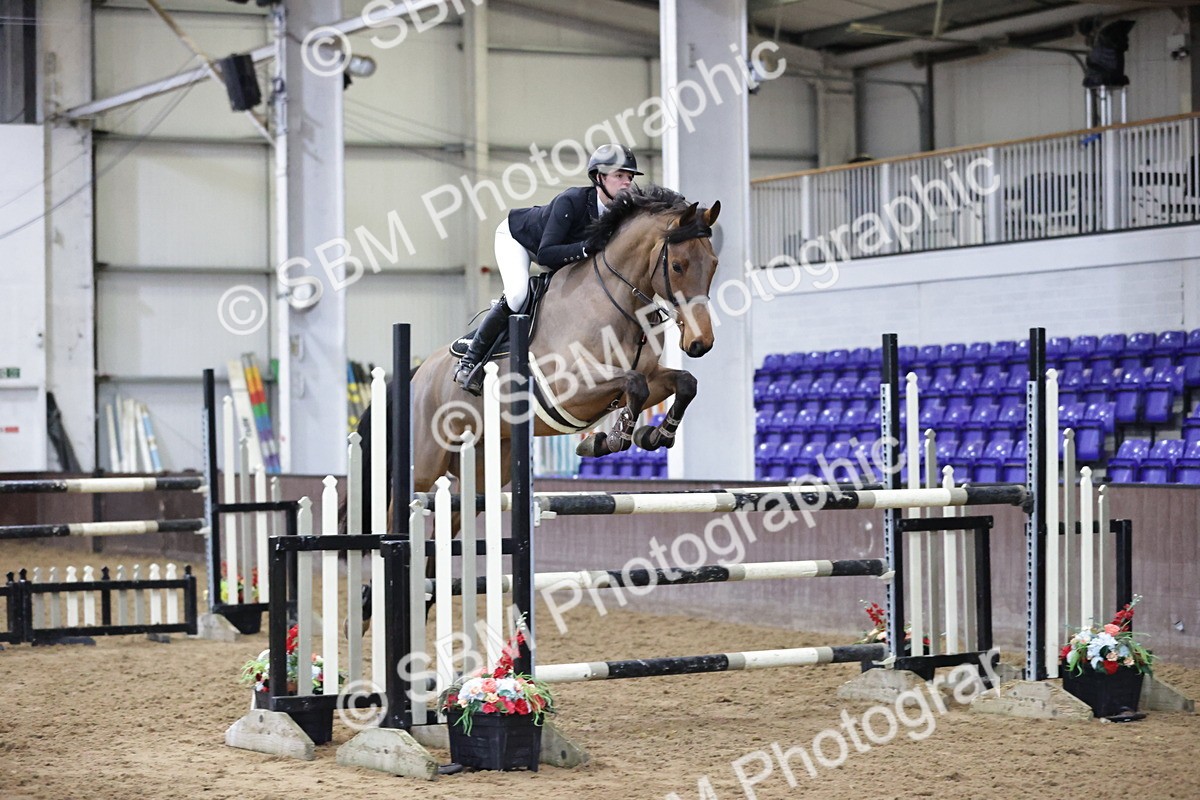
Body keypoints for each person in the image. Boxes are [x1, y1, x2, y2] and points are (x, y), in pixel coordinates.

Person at [452, 143, 644, 395]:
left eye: (629, 177)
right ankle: (469, 362)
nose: (627, 182)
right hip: (519, 239)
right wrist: (586, 248)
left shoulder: (623, 214)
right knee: (518, 295)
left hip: (562, 254)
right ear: (599, 177)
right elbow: (546, 254)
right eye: (619, 175)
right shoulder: (572, 201)